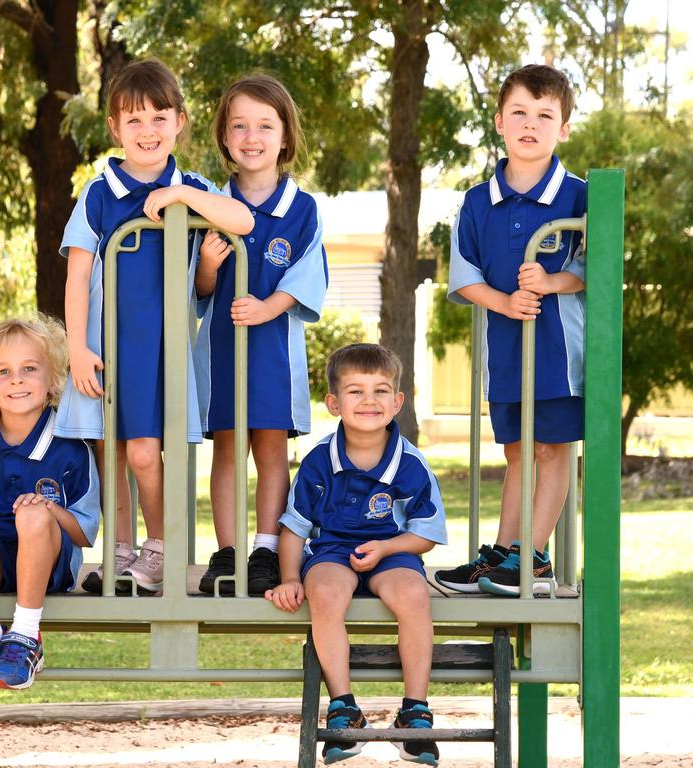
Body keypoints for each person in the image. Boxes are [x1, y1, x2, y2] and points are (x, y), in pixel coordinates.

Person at [57, 59, 253, 596]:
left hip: (160, 347)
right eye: (134, 120)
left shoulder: (194, 187)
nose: (148, 131)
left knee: (145, 451)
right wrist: (76, 347)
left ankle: (160, 548)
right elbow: (77, 276)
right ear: (116, 128)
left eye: (159, 118)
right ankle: (119, 551)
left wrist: (180, 197)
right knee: (110, 451)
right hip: (103, 344)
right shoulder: (99, 193)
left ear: (180, 121)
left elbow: (243, 222)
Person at [434, 64, 585, 597]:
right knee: (519, 451)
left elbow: (596, 270)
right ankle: (505, 553)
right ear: (499, 121)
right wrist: (505, 301)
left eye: (545, 115)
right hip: (507, 352)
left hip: (559, 353)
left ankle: (534, 556)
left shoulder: (581, 197)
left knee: (553, 449)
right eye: (519, 112)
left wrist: (549, 281)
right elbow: (464, 275)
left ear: (564, 127)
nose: (530, 124)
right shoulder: (477, 202)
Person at [267, 343, 447, 766]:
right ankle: (344, 706)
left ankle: (414, 711)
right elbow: (294, 526)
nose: (369, 401)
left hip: (392, 552)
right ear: (333, 403)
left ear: (398, 402)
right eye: (355, 391)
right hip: (332, 552)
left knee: (414, 595)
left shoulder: (410, 465)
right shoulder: (317, 463)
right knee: (324, 594)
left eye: (381, 391)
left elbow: (425, 535)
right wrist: (290, 577)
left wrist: (387, 546)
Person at [193, 74, 327, 596]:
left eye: (265, 126)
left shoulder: (302, 209)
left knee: (271, 448)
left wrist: (269, 305)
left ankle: (265, 550)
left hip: (274, 351)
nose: (252, 137)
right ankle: (227, 553)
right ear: (225, 138)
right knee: (226, 449)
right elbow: (198, 291)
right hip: (222, 349)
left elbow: (307, 276)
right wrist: (206, 266)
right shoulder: (207, 201)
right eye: (240, 126)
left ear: (285, 137)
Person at [0, 316, 100, 689]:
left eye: (30, 368)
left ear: (52, 379)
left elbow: (85, 533)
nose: (17, 380)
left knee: (32, 514)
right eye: (4, 372)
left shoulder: (71, 446)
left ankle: (27, 636)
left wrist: (49, 510)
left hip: (51, 566)